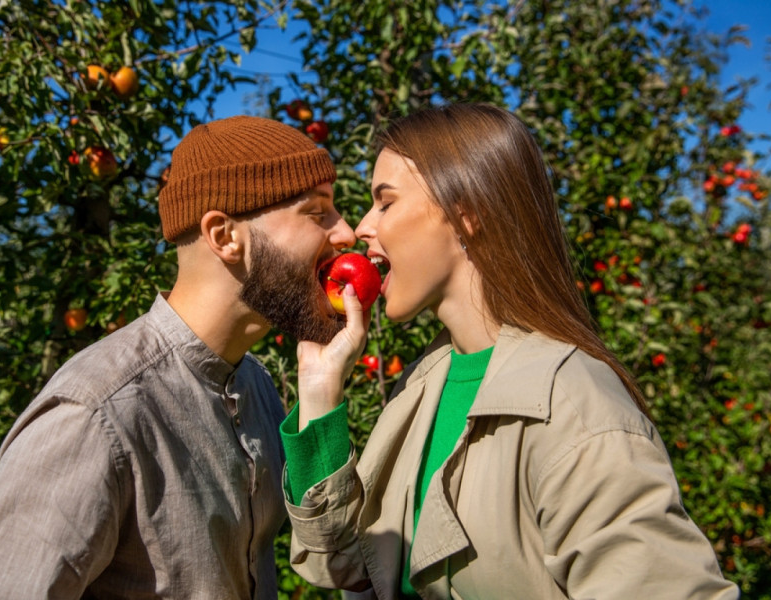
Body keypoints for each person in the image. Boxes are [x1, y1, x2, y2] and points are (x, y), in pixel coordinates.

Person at [280, 103, 740, 599]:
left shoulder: (572, 408)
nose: (361, 228)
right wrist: (321, 393)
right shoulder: (422, 385)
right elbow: (348, 566)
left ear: (467, 213)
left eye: (385, 202)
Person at [0, 115, 357, 599]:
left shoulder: (256, 387)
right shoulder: (96, 414)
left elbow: (334, 562)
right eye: (316, 211)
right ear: (223, 236)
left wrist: (322, 392)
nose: (345, 233)